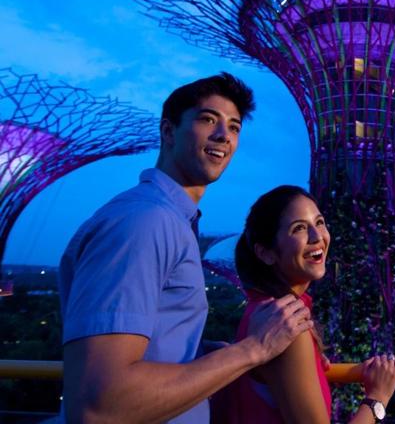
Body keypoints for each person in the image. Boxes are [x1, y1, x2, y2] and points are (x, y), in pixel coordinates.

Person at [58, 73, 314, 424]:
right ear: (168, 131)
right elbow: (97, 405)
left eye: (234, 127)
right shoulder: (145, 223)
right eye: (208, 120)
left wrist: (201, 354)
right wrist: (253, 350)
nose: (224, 135)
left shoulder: (170, 223)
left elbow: (150, 346)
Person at [212, 185, 395, 424]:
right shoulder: (285, 325)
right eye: (299, 228)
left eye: (319, 222)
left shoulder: (262, 310)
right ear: (266, 253)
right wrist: (377, 398)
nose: (317, 237)